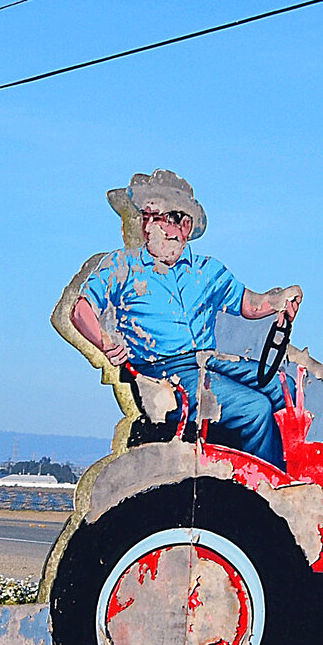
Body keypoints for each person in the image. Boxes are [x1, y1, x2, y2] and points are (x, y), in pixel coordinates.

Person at [68, 170, 303, 469]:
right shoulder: (122, 266)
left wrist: (280, 299)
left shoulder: (208, 270)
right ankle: (265, 491)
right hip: (163, 371)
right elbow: (80, 310)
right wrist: (104, 341)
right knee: (255, 409)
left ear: (185, 225)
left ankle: (275, 463)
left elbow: (250, 305)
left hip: (210, 362)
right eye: (145, 216)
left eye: (159, 217)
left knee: (285, 387)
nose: (149, 226)